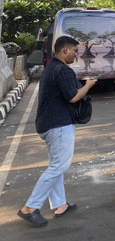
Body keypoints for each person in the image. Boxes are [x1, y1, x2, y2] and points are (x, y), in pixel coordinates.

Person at [18, 35, 98, 228]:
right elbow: (73, 97)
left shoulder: (52, 67)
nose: (76, 55)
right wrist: (88, 85)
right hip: (58, 125)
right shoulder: (62, 69)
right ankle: (30, 207)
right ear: (65, 50)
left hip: (49, 124)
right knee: (59, 167)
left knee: (57, 165)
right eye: (75, 51)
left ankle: (60, 205)